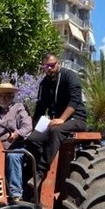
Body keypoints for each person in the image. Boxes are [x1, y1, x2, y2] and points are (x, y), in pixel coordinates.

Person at [25, 53, 87, 181]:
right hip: (56, 120)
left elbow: (74, 101)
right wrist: (33, 126)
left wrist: (62, 119)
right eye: (46, 66)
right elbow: (40, 107)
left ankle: (41, 173)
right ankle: (35, 167)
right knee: (32, 139)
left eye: (52, 65)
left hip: (76, 119)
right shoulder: (44, 83)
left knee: (55, 130)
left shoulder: (70, 76)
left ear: (58, 64)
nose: (49, 68)